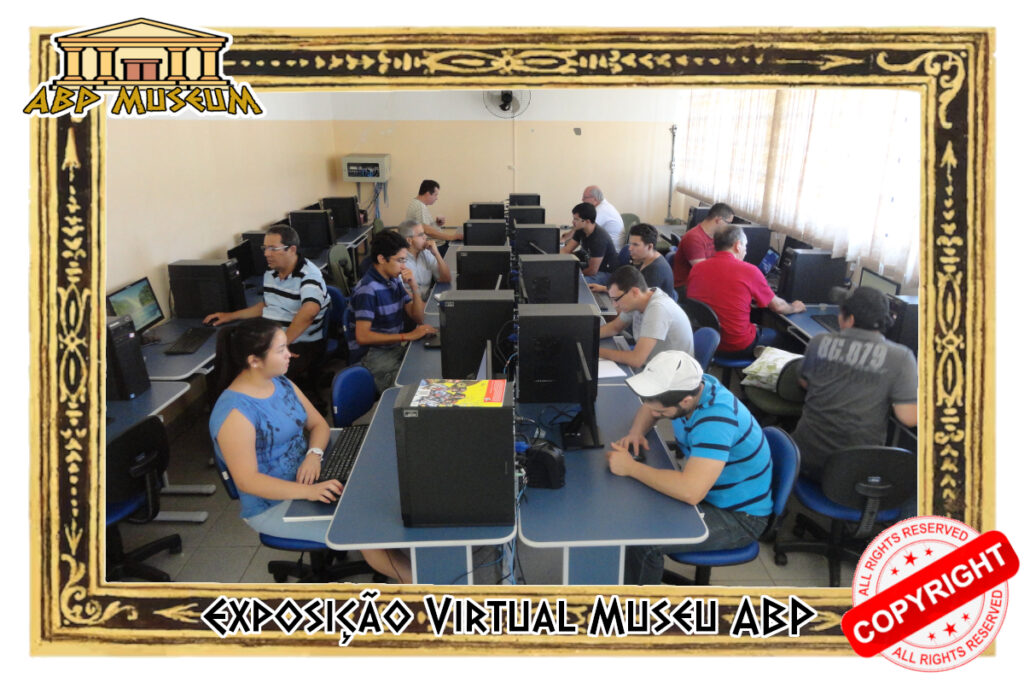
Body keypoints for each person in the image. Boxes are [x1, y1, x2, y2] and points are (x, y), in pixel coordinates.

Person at [208, 318, 411, 582]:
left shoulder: (280, 383)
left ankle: (415, 566)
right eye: (281, 350)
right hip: (274, 504)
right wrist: (309, 491)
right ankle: (430, 591)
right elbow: (248, 481)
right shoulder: (235, 413)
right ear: (254, 360)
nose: (290, 354)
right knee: (364, 530)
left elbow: (318, 425)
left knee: (382, 500)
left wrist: (313, 456)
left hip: (311, 477)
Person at [607, 350, 773, 585]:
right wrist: (636, 432)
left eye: (661, 413)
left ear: (685, 401)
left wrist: (630, 467)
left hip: (739, 517)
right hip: (710, 490)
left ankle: (640, 605)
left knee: (642, 541)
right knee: (635, 508)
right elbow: (650, 406)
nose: (654, 414)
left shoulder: (716, 420)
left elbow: (690, 491)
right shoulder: (694, 386)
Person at [793, 286, 918, 481]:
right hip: (853, 473)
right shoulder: (901, 357)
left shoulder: (818, 342)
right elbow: (909, 418)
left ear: (849, 319)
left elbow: (803, 382)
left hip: (803, 460)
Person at [204, 224, 329, 403]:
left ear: (292, 249)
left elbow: (309, 312)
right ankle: (225, 408)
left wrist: (282, 345)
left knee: (254, 375)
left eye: (273, 249)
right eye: (265, 248)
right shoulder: (271, 272)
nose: (266, 254)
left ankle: (258, 410)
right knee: (226, 353)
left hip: (299, 343)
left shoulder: (309, 275)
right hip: (271, 338)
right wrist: (230, 315)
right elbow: (267, 305)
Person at [687, 224, 806, 356]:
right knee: (794, 342)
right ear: (738, 245)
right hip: (736, 344)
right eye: (745, 246)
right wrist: (794, 307)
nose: (746, 251)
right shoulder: (750, 271)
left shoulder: (697, 268)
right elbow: (778, 307)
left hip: (704, 340)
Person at [349, 230, 436, 393]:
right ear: (382, 259)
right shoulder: (368, 289)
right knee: (414, 391)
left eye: (405, 260)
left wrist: (414, 287)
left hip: (392, 348)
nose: (404, 266)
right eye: (400, 260)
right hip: (372, 355)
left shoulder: (393, 280)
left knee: (427, 371)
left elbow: (418, 317)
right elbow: (362, 336)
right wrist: (407, 336)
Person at [598, 266, 693, 368]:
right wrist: (588, 336)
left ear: (634, 292)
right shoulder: (640, 298)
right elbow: (615, 327)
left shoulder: (658, 309)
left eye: (616, 299)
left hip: (671, 371)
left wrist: (596, 351)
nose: (614, 305)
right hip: (653, 362)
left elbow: (636, 360)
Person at [591, 222, 676, 301]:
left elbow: (638, 301)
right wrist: (604, 288)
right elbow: (631, 287)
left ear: (650, 247)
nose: (630, 248)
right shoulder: (642, 259)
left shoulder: (655, 270)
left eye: (635, 245)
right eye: (630, 243)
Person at [673, 202, 734, 300]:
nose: (728, 227)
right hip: (685, 287)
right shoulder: (694, 238)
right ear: (718, 220)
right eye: (728, 223)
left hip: (700, 283)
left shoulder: (715, 237)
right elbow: (703, 271)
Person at [560, 202, 619, 286]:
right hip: (590, 266)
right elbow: (567, 250)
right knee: (563, 271)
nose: (573, 222)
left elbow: (592, 271)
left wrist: (574, 274)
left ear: (587, 221)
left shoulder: (599, 238)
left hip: (606, 273)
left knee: (572, 283)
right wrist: (552, 260)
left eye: (576, 219)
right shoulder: (580, 229)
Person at [397, 219, 451, 300]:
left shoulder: (427, 253)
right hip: (411, 304)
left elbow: (446, 279)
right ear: (409, 240)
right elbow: (403, 297)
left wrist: (436, 254)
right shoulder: (399, 261)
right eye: (421, 235)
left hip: (427, 301)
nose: (425, 237)